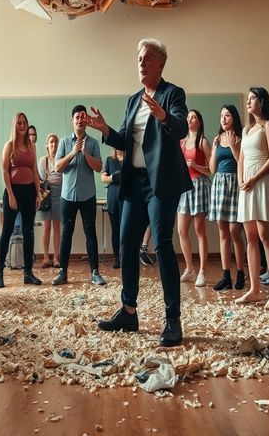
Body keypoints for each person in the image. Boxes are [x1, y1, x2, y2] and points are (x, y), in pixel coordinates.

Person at [89, 38, 190, 347]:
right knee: (127, 242)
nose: (141, 63)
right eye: (138, 58)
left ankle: (173, 319)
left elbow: (182, 128)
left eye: (147, 58)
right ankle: (129, 311)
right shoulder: (133, 100)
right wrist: (105, 129)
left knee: (161, 243)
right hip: (135, 183)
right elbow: (124, 141)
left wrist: (162, 115)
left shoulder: (173, 94)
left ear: (160, 63)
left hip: (162, 183)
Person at [235, 87, 269, 310]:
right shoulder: (247, 129)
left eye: (253, 98)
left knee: (266, 235)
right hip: (246, 184)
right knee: (250, 236)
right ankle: (254, 289)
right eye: (248, 98)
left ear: (262, 101)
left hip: (262, 181)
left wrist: (254, 178)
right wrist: (240, 181)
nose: (249, 101)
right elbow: (241, 159)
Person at [53, 105, 106, 286]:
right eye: (77, 117)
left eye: (83, 117)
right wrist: (73, 152)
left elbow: (99, 167)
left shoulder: (93, 143)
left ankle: (95, 272)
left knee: (90, 233)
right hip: (67, 196)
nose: (80, 120)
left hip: (88, 196)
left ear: (86, 121)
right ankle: (63, 272)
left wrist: (84, 153)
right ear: (72, 121)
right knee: (66, 234)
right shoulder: (64, 142)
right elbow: (57, 167)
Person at [0, 112, 42, 288]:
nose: (22, 126)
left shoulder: (31, 146)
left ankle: (28, 273)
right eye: (19, 123)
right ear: (15, 125)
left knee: (29, 232)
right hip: (13, 192)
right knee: (7, 231)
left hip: (30, 191)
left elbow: (35, 170)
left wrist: (38, 194)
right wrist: (11, 195)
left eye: (24, 123)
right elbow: (5, 171)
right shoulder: (9, 146)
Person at [209, 105, 246, 291]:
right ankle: (226, 276)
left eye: (227, 115)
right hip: (219, 184)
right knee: (222, 231)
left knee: (234, 231)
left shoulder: (240, 137)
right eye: (221, 116)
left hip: (235, 184)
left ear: (234, 118)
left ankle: (240, 273)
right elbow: (212, 169)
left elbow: (241, 161)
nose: (223, 119)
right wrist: (215, 148)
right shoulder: (217, 138)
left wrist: (232, 145)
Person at [177, 109, 212, 287]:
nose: (190, 119)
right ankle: (189, 268)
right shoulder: (181, 142)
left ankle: (202, 271)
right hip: (184, 186)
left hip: (199, 185)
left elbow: (212, 169)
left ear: (199, 122)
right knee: (181, 230)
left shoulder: (203, 142)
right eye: (188, 117)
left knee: (199, 230)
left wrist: (196, 165)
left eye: (194, 117)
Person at [39, 134, 63, 268]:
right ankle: (45, 257)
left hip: (59, 194)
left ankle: (56, 258)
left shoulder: (61, 160)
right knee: (46, 226)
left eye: (55, 142)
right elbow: (41, 180)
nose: (53, 144)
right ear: (47, 145)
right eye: (51, 142)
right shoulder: (43, 161)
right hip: (46, 194)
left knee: (57, 226)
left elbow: (64, 177)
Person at [101, 149, 124, 269]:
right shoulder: (110, 160)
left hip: (127, 199)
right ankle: (116, 258)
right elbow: (103, 178)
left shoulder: (130, 159)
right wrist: (114, 177)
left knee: (126, 230)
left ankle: (125, 256)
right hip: (113, 199)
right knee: (115, 229)